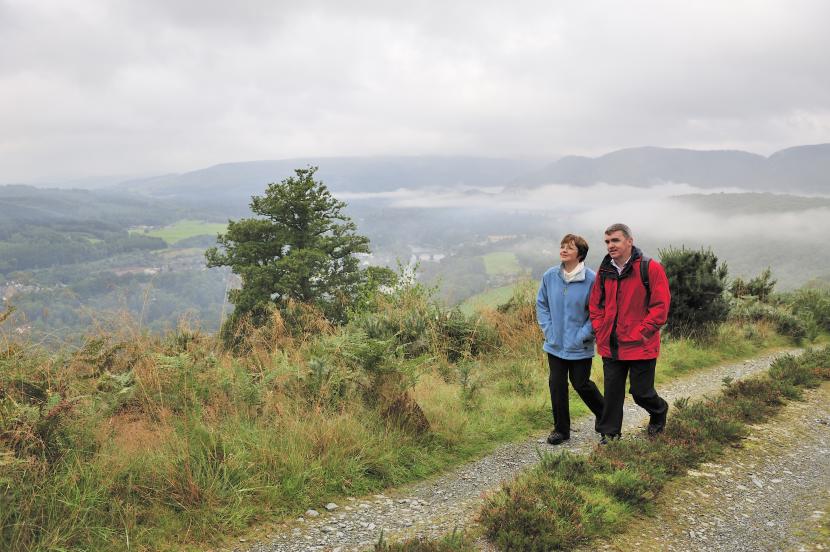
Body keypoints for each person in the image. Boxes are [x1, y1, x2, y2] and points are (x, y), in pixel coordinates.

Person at [589, 223, 670, 444]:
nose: (610, 246)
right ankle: (610, 434)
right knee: (612, 393)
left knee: (641, 392)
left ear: (629, 241)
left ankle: (659, 410)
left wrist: (643, 332)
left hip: (640, 345)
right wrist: (600, 327)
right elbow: (595, 303)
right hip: (611, 344)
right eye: (607, 242)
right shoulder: (604, 271)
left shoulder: (650, 268)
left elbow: (660, 307)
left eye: (615, 240)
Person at [536, 233, 605, 445]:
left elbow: (597, 312)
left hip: (579, 345)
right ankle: (561, 430)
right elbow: (542, 304)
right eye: (562, 246)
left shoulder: (592, 280)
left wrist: (583, 335)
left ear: (580, 254)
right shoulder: (550, 276)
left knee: (581, 383)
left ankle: (606, 419)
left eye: (570, 247)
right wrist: (548, 329)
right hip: (555, 344)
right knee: (556, 384)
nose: (564, 250)